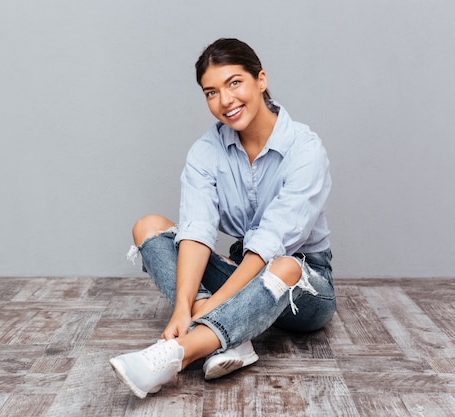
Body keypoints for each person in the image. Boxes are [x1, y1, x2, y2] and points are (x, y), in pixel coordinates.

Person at [110, 38, 336, 399]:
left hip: (303, 286)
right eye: (211, 92)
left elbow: (270, 242)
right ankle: (232, 339)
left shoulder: (304, 148)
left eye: (234, 83)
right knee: (149, 226)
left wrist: (211, 308)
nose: (225, 101)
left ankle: (176, 356)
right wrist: (183, 308)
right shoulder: (206, 151)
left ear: (260, 80)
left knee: (283, 265)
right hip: (244, 270)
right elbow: (197, 232)